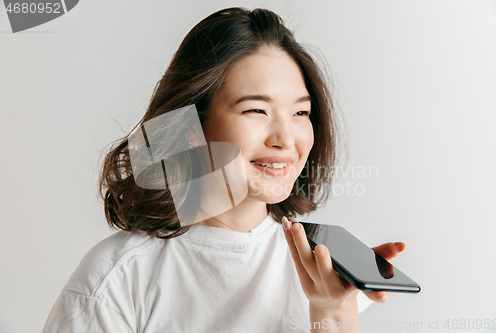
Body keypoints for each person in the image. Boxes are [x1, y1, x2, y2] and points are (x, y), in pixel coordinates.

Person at [43, 7, 405, 332]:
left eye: (300, 113)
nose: (285, 139)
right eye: (256, 111)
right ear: (191, 129)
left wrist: (333, 312)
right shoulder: (117, 278)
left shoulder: (325, 273)